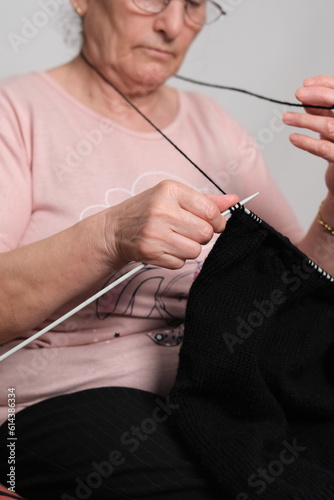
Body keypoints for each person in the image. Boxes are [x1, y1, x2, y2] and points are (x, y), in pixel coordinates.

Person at [0, 0, 333, 498]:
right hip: (59, 403)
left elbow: (288, 304)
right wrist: (111, 235)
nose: (172, 25)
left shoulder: (215, 126)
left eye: (194, 4)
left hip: (224, 397)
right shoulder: (16, 114)